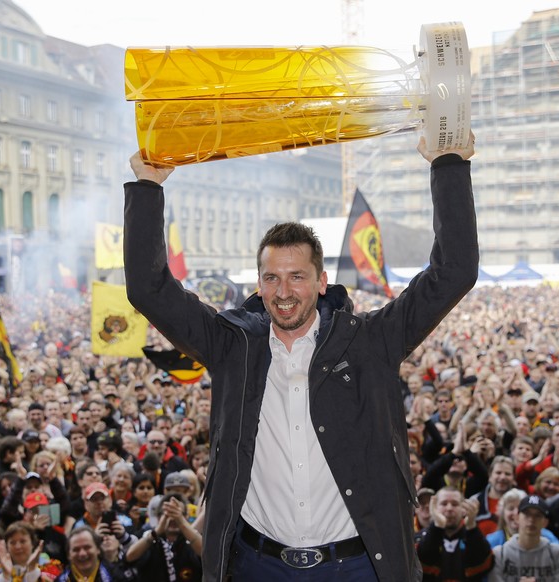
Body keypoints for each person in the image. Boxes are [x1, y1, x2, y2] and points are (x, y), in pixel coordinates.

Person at [124, 131, 478, 582]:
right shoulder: (232, 347)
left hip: (357, 566)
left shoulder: (370, 342)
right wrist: (148, 186)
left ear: (322, 281)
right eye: (271, 278)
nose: (284, 292)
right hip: (258, 564)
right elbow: (148, 288)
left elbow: (454, 272)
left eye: (296, 277)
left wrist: (448, 164)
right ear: (258, 283)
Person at [414, 487, 493, 582]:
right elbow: (422, 566)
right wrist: (437, 526)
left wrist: (471, 526)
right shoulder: (422, 537)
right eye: (444, 503)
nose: (449, 508)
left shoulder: (473, 535)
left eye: (455, 504)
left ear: (463, 509)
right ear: (434, 507)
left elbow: (484, 565)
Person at [488, 494, 559, 582]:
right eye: (527, 514)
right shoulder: (500, 554)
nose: (531, 520)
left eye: (537, 515)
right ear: (517, 518)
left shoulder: (558, 555)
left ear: (545, 522)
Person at [124, 493, 202, 581]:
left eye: (177, 513)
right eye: (168, 513)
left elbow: (207, 554)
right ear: (158, 517)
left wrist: (182, 523)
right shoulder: (150, 540)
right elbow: (129, 557)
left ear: (186, 517)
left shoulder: (192, 542)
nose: (172, 518)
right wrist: (157, 531)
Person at [485, 488, 559, 549]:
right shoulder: (492, 540)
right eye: (511, 508)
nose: (516, 513)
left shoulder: (548, 537)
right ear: (502, 513)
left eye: (521, 509)